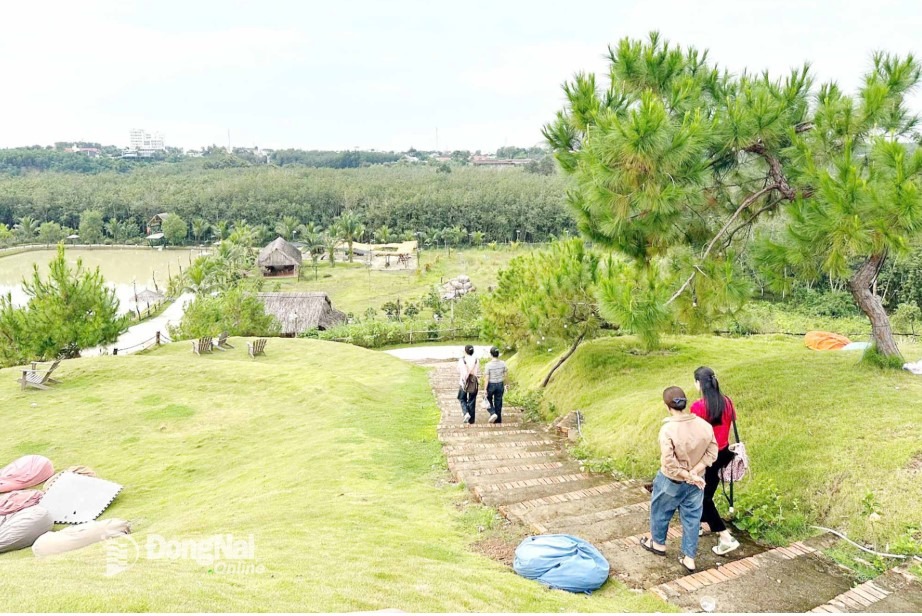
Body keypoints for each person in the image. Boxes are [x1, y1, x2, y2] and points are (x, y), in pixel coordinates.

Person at [640, 386, 717, 573]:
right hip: (697, 482)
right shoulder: (704, 425)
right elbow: (712, 452)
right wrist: (695, 473)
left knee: (660, 511)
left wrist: (685, 474)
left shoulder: (668, 429)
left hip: (671, 481)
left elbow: (669, 462)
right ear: (685, 403)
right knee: (692, 519)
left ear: (667, 406)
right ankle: (689, 558)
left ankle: (658, 544)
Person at [691, 366, 741, 556]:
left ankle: (725, 537)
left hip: (706, 458)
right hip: (723, 454)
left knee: (703, 497)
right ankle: (703, 524)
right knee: (706, 493)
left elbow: (696, 437)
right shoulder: (727, 402)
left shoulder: (698, 407)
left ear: (698, 383)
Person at [483, 346, 507, 424]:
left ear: (491, 354)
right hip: (500, 384)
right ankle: (498, 420)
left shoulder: (488, 365)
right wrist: (506, 384)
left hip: (491, 384)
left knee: (486, 398)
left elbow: (487, 378)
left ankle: (493, 413)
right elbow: (505, 375)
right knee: (498, 401)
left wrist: (485, 389)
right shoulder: (503, 363)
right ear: (498, 354)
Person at [457, 345, 479, 424]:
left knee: (462, 398)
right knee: (472, 400)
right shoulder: (476, 360)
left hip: (464, 383)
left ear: (465, 351)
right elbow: (477, 370)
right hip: (473, 382)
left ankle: (466, 413)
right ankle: (471, 420)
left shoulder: (462, 360)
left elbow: (459, 370)